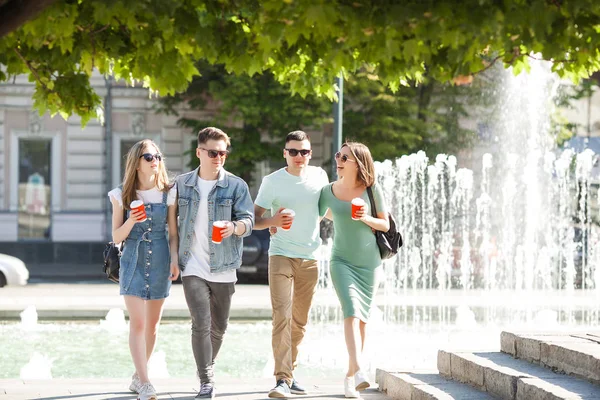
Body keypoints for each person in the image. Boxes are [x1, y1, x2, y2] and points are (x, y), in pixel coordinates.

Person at [173, 127, 254, 399]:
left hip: (224, 265)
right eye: (212, 152)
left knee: (219, 328)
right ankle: (207, 381)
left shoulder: (236, 185)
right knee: (201, 323)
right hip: (192, 265)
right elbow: (170, 223)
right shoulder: (181, 184)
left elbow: (249, 220)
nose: (218, 157)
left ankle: (205, 366)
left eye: (222, 153)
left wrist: (234, 227)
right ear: (199, 152)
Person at [253, 131, 329, 398]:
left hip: (310, 258)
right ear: (284, 153)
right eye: (293, 151)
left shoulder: (320, 176)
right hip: (281, 255)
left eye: (304, 152)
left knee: (299, 321)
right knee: (281, 318)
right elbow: (255, 218)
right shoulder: (272, 181)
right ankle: (282, 379)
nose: (299, 156)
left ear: (310, 154)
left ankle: (290, 372)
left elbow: (322, 212)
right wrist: (273, 223)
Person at [108, 139, 179, 400]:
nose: (155, 161)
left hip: (161, 258)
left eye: (158, 156)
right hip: (133, 260)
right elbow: (116, 237)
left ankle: (137, 377)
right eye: (149, 157)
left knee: (152, 326)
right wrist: (131, 221)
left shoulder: (168, 192)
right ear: (136, 163)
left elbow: (172, 232)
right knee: (137, 323)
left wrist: (174, 259)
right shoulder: (121, 195)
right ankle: (146, 381)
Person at [318, 142, 390, 398]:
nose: (338, 159)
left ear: (358, 163)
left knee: (362, 321)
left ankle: (349, 377)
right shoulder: (327, 191)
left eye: (345, 157)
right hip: (341, 262)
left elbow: (385, 223)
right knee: (351, 310)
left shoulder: (372, 190)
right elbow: (313, 218)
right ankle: (359, 370)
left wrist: (365, 219)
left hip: (370, 265)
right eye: (338, 154)